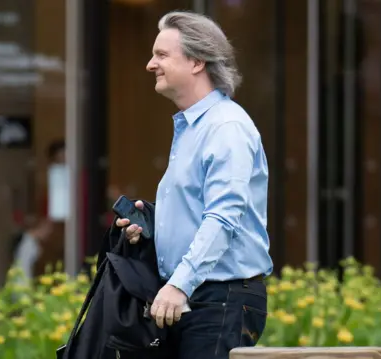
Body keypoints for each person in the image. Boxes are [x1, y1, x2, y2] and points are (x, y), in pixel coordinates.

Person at [115, 10, 273, 359]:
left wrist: (177, 284)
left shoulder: (226, 128)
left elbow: (222, 218)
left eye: (162, 55)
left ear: (197, 61)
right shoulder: (194, 128)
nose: (150, 64)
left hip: (220, 299)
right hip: (195, 297)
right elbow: (203, 214)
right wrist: (152, 230)